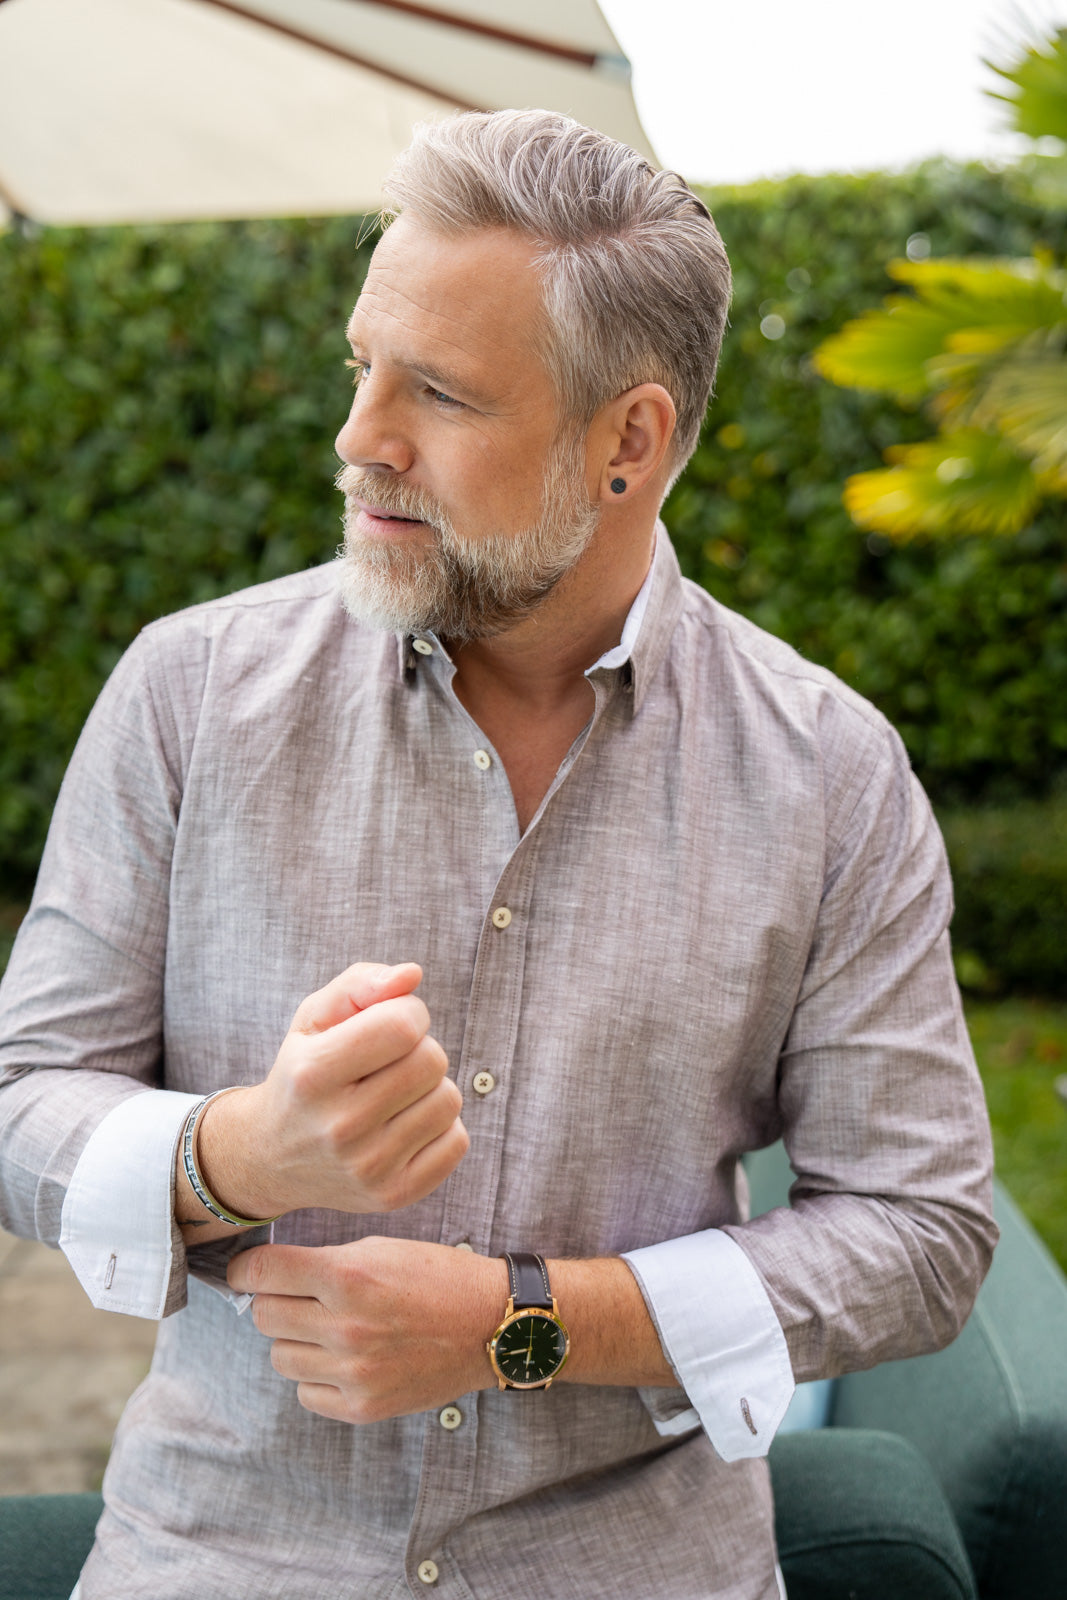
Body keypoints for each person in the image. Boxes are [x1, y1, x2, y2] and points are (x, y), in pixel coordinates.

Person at [0, 110, 996, 1600]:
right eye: (362, 369)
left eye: (441, 394)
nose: (359, 440)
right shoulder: (188, 695)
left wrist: (525, 1320)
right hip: (222, 1558)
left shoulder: (830, 775)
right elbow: (20, 1099)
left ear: (629, 442)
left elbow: (923, 1228)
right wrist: (239, 1157)